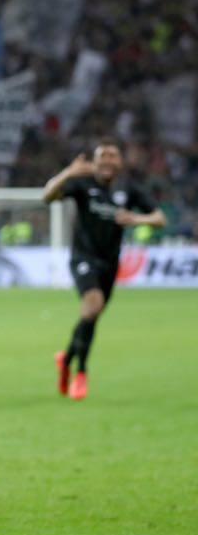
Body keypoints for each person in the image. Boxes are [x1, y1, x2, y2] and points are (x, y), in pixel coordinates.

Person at [42, 138, 166, 400]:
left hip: (110, 264)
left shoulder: (128, 190)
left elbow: (159, 218)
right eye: (103, 156)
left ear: (120, 163)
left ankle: (66, 359)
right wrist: (68, 173)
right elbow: (47, 196)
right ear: (94, 162)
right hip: (83, 257)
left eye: (113, 156)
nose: (107, 161)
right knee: (93, 305)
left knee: (91, 315)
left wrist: (136, 219)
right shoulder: (82, 184)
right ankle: (81, 373)